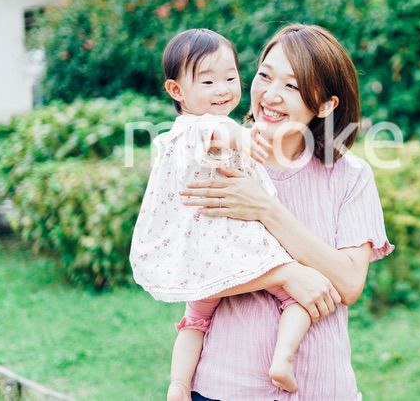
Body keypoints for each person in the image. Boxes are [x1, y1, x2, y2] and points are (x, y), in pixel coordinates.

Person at [179, 23, 394, 400]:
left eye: (291, 86)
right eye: (265, 76)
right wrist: (288, 275)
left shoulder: (351, 177)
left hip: (322, 387)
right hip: (227, 386)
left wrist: (265, 208)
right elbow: (194, 274)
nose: (270, 95)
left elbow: (348, 283)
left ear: (326, 104)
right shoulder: (215, 159)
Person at [128, 28, 317, 401]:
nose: (223, 89)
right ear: (176, 91)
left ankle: (179, 383)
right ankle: (283, 358)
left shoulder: (180, 133)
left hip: (200, 250)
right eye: (209, 81)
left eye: (231, 78)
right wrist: (246, 139)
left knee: (195, 320)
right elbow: (223, 135)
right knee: (296, 298)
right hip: (232, 244)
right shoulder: (207, 125)